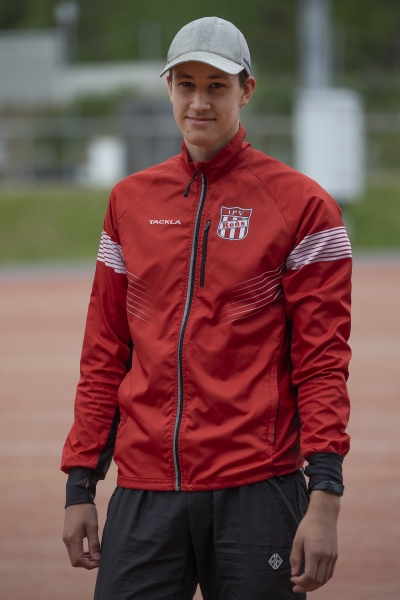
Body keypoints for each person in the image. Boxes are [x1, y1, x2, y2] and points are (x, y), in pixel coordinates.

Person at [61, 16, 351, 600]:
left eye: (217, 86)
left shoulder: (303, 206)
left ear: (246, 90)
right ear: (168, 87)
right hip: (145, 491)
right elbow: (104, 354)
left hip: (257, 488)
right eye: (186, 84)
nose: (199, 102)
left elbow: (323, 363)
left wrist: (325, 499)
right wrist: (80, 485)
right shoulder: (128, 202)